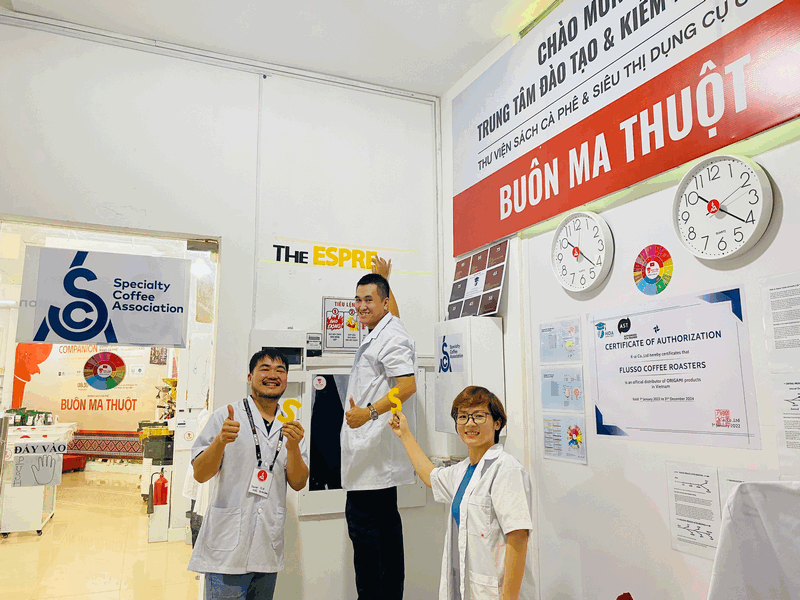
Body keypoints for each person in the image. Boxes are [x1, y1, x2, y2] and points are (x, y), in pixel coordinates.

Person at [390, 386, 535, 600]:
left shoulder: (506, 470)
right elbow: (430, 476)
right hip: (469, 587)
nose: (470, 423)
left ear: (497, 423)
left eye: (479, 416)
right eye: (463, 416)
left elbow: (518, 538)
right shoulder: (463, 470)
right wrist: (405, 434)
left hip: (498, 592)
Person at [188, 348, 309, 600]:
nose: (273, 375)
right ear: (250, 377)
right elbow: (200, 474)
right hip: (226, 550)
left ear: (286, 379)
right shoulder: (225, 416)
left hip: (267, 548)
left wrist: (293, 448)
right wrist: (220, 441)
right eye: (265, 369)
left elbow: (298, 483)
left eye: (280, 370)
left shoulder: (291, 425)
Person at [341, 260, 417, 600]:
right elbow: (393, 318)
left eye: (369, 300)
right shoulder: (388, 327)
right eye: (358, 300)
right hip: (370, 465)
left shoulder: (390, 334)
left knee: (372, 551)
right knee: (383, 545)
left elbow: (408, 385)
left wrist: (369, 412)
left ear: (383, 302)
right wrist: (384, 280)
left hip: (373, 463)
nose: (361, 306)